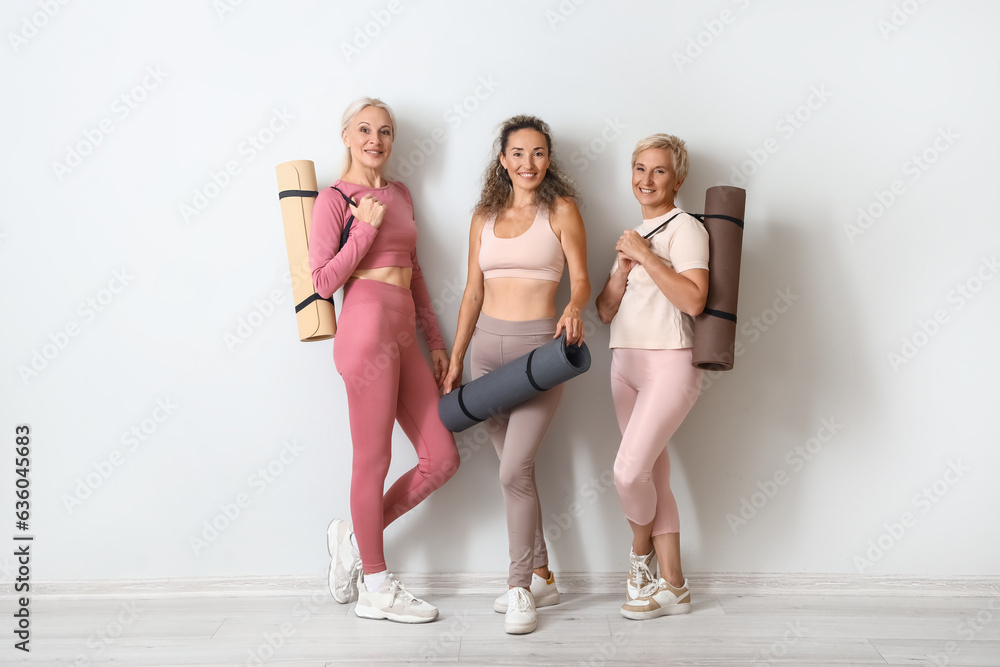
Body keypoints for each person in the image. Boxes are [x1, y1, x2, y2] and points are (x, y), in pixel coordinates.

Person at [309, 97, 460, 624]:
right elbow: (323, 281)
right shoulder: (333, 199)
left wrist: (436, 340)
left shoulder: (400, 193)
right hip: (366, 328)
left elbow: (415, 269)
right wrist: (364, 230)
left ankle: (351, 533)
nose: (376, 139)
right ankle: (375, 585)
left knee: (441, 459)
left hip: (403, 331)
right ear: (347, 135)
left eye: (386, 132)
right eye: (365, 129)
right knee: (372, 460)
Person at [443, 115, 589, 634]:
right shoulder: (482, 217)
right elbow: (472, 293)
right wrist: (458, 357)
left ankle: (519, 587)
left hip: (539, 357)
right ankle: (543, 572)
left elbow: (582, 281)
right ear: (503, 160)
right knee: (518, 475)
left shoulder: (562, 210)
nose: (529, 163)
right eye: (519, 153)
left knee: (511, 472)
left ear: (549, 160)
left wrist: (573, 308)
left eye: (539, 153)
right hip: (485, 355)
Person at [595, 133, 709, 620]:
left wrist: (645, 255)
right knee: (653, 477)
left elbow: (694, 299)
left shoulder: (687, 228)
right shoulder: (631, 236)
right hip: (625, 362)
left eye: (659, 170)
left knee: (628, 471)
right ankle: (676, 587)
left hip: (670, 363)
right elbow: (603, 311)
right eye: (640, 168)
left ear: (677, 179)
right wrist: (623, 267)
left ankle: (639, 559)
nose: (647, 179)